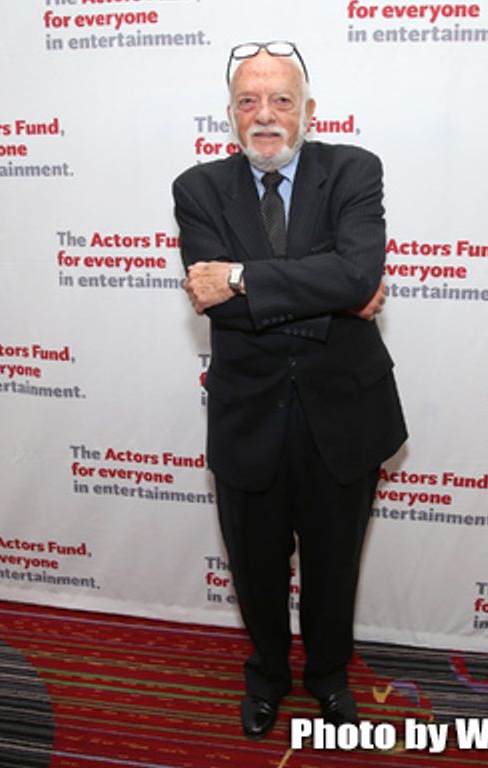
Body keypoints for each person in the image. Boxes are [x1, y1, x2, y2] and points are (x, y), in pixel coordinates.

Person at [172, 40, 407, 740]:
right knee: (256, 568)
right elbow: (219, 308)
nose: (265, 114)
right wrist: (330, 295)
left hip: (345, 413)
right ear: (230, 114)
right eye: (249, 100)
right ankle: (269, 673)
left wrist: (243, 278)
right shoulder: (198, 188)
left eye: (280, 100)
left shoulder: (354, 170)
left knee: (336, 566)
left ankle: (330, 675)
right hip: (250, 416)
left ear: (308, 109)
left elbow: (353, 275)